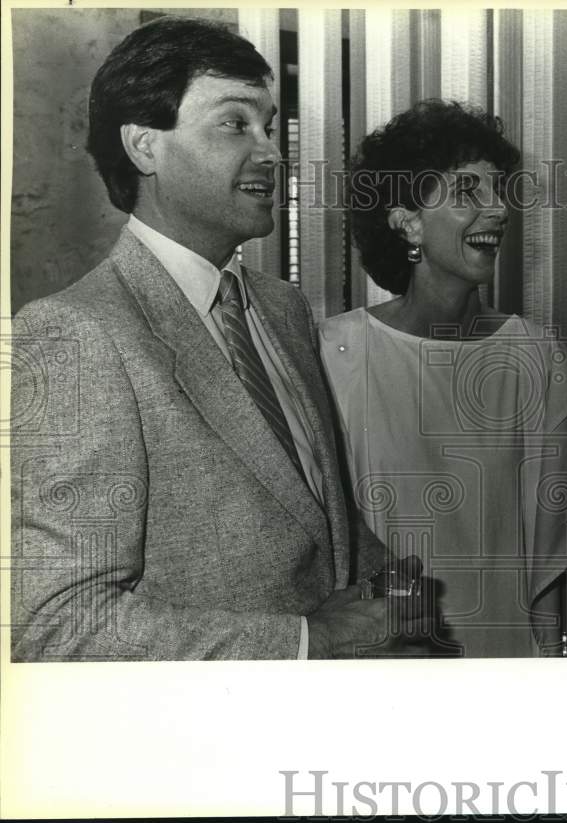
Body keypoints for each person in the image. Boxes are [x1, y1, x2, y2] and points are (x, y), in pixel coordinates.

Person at [10, 16, 422, 661]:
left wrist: (385, 587)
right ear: (144, 146)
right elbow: (57, 625)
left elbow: (311, 516)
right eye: (234, 123)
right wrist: (309, 640)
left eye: (268, 125)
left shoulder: (282, 308)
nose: (272, 152)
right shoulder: (76, 335)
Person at [320, 99, 567, 656]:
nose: (498, 210)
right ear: (407, 220)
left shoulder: (537, 357)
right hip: (380, 657)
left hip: (508, 654)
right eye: (468, 191)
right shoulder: (332, 352)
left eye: (499, 191)